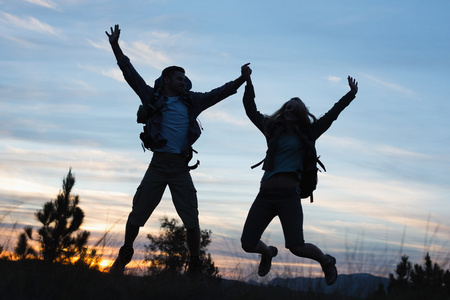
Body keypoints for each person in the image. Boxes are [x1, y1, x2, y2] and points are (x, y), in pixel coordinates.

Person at [105, 24, 250, 276]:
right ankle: (125, 252)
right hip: (158, 165)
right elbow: (130, 74)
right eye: (179, 78)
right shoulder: (151, 97)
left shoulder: (193, 101)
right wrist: (115, 46)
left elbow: (219, 93)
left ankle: (194, 263)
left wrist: (240, 79)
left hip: (180, 167)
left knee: (191, 220)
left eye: (184, 78)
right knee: (137, 214)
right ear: (167, 80)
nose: (183, 81)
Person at [240, 67, 358, 286]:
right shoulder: (272, 129)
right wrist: (248, 83)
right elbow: (250, 110)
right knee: (247, 243)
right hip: (265, 195)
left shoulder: (309, 133)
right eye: (286, 108)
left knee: (296, 247)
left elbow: (332, 115)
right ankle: (267, 253)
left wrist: (350, 95)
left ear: (300, 113)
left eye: (293, 109)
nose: (288, 111)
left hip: (288, 198)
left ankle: (326, 261)